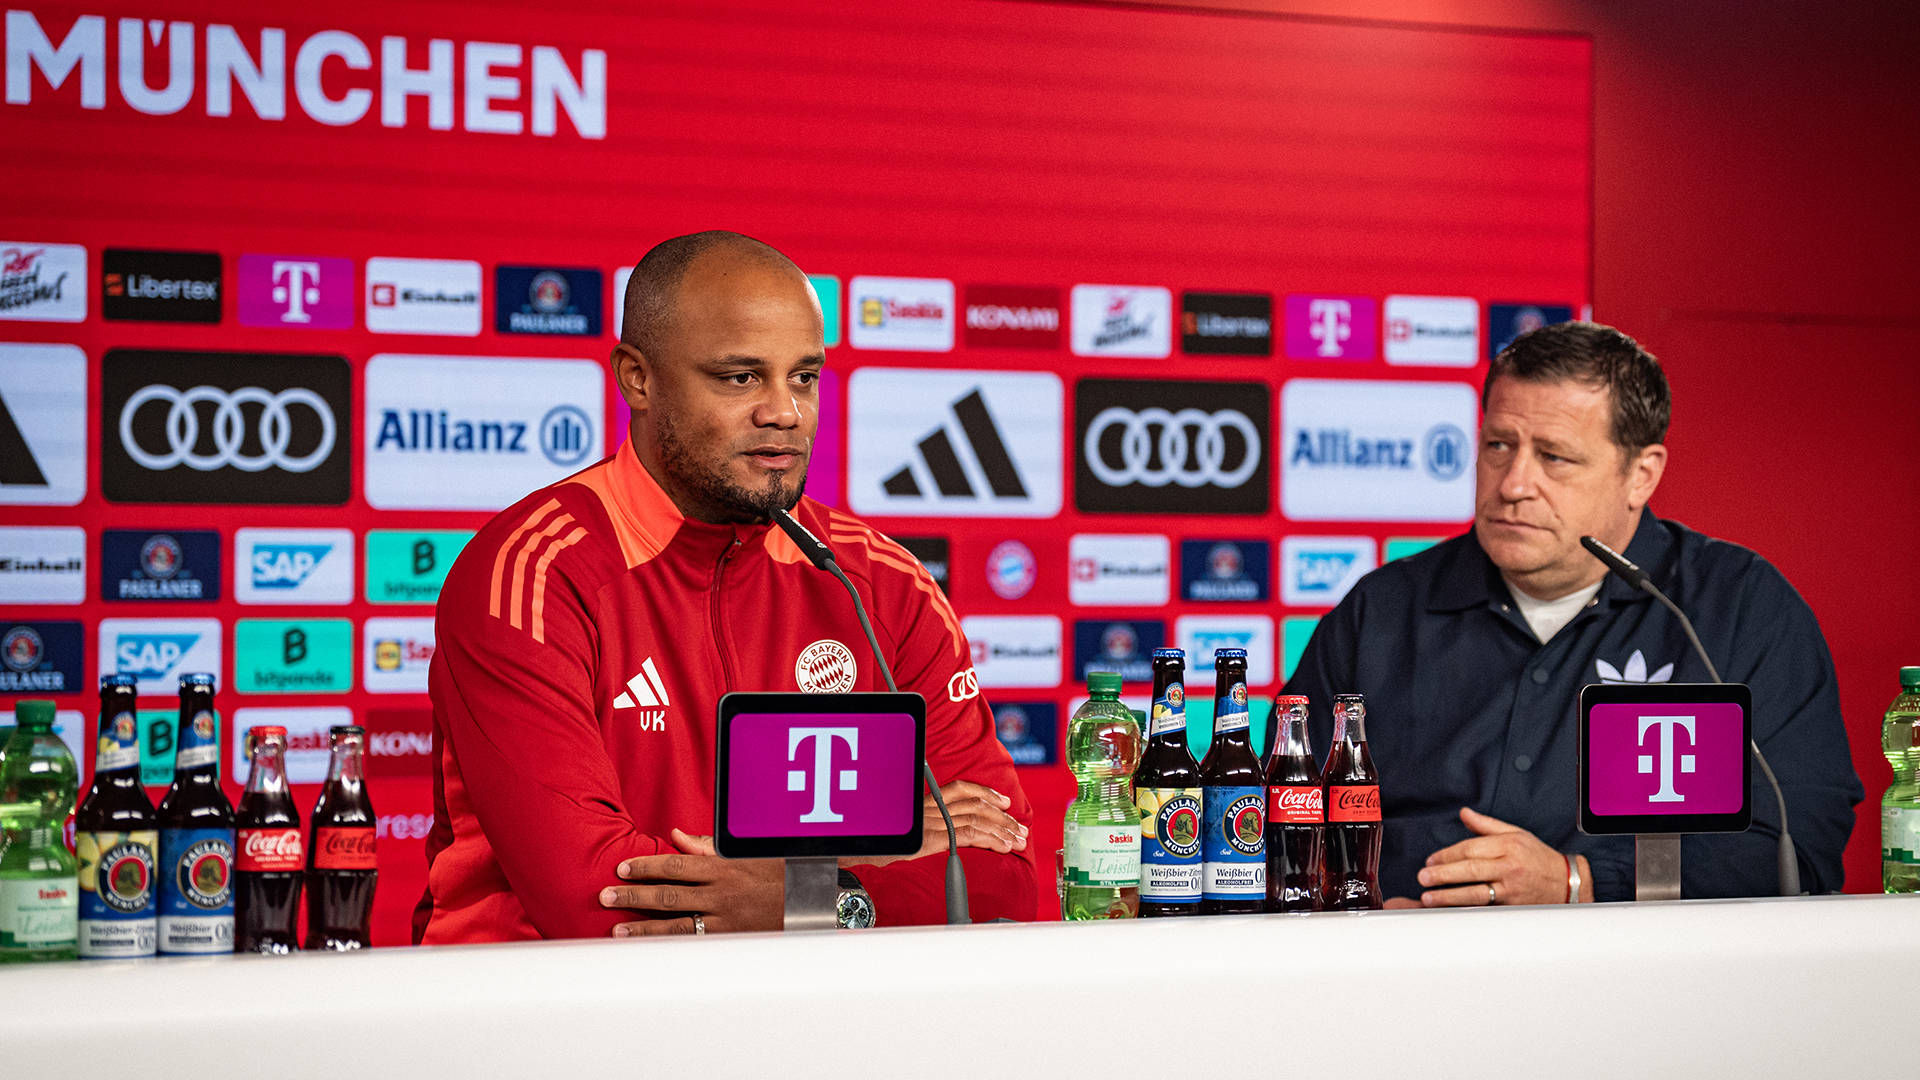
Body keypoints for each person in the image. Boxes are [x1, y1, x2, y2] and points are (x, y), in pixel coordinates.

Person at [415, 231, 1036, 942]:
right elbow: (591, 897)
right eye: (740, 378)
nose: (785, 412)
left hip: (796, 1030)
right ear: (637, 378)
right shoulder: (533, 572)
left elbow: (1001, 883)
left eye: (803, 376)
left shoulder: (882, 584)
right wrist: (867, 855)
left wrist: (815, 896)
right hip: (536, 1025)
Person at [1283, 322, 1862, 905]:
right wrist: (1356, 908)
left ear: (1641, 475)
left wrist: (1576, 881)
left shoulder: (1735, 611)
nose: (1513, 484)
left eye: (1554, 457)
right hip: (1398, 971)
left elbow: (1797, 847)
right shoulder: (1381, 612)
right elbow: (1286, 816)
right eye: (1498, 446)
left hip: (1644, 982)